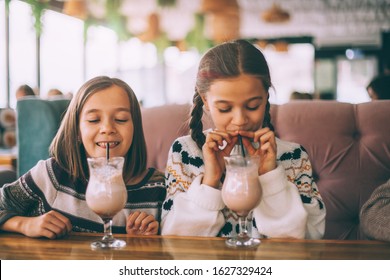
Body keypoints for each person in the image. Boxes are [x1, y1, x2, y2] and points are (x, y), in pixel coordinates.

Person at [161, 40, 326, 239]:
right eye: (225, 109)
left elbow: (311, 238)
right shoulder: (185, 153)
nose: (240, 121)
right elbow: (176, 242)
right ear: (205, 100)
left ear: (266, 97)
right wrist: (210, 181)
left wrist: (270, 176)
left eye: (252, 106)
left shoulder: (294, 157)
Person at [0, 76, 166, 239]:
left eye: (120, 119)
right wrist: (26, 224)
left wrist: (143, 239)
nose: (107, 128)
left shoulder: (156, 187)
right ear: (77, 131)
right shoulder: (52, 177)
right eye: (94, 120)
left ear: (135, 128)